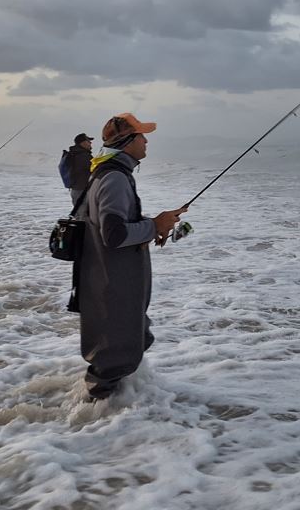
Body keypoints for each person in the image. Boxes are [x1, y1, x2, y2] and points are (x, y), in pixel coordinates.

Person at [76, 112, 186, 400]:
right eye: (141, 135)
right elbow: (114, 235)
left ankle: (107, 413)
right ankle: (95, 418)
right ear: (127, 142)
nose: (147, 140)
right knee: (117, 352)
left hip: (108, 278)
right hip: (114, 282)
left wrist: (154, 225)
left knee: (131, 339)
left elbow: (115, 223)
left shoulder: (108, 171)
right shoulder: (114, 178)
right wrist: (153, 226)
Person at [64, 132, 94, 204]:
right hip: (82, 190)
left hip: (76, 189)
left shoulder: (74, 153)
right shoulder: (83, 155)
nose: (90, 143)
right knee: (83, 214)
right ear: (82, 143)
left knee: (79, 213)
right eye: (88, 141)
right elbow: (93, 169)